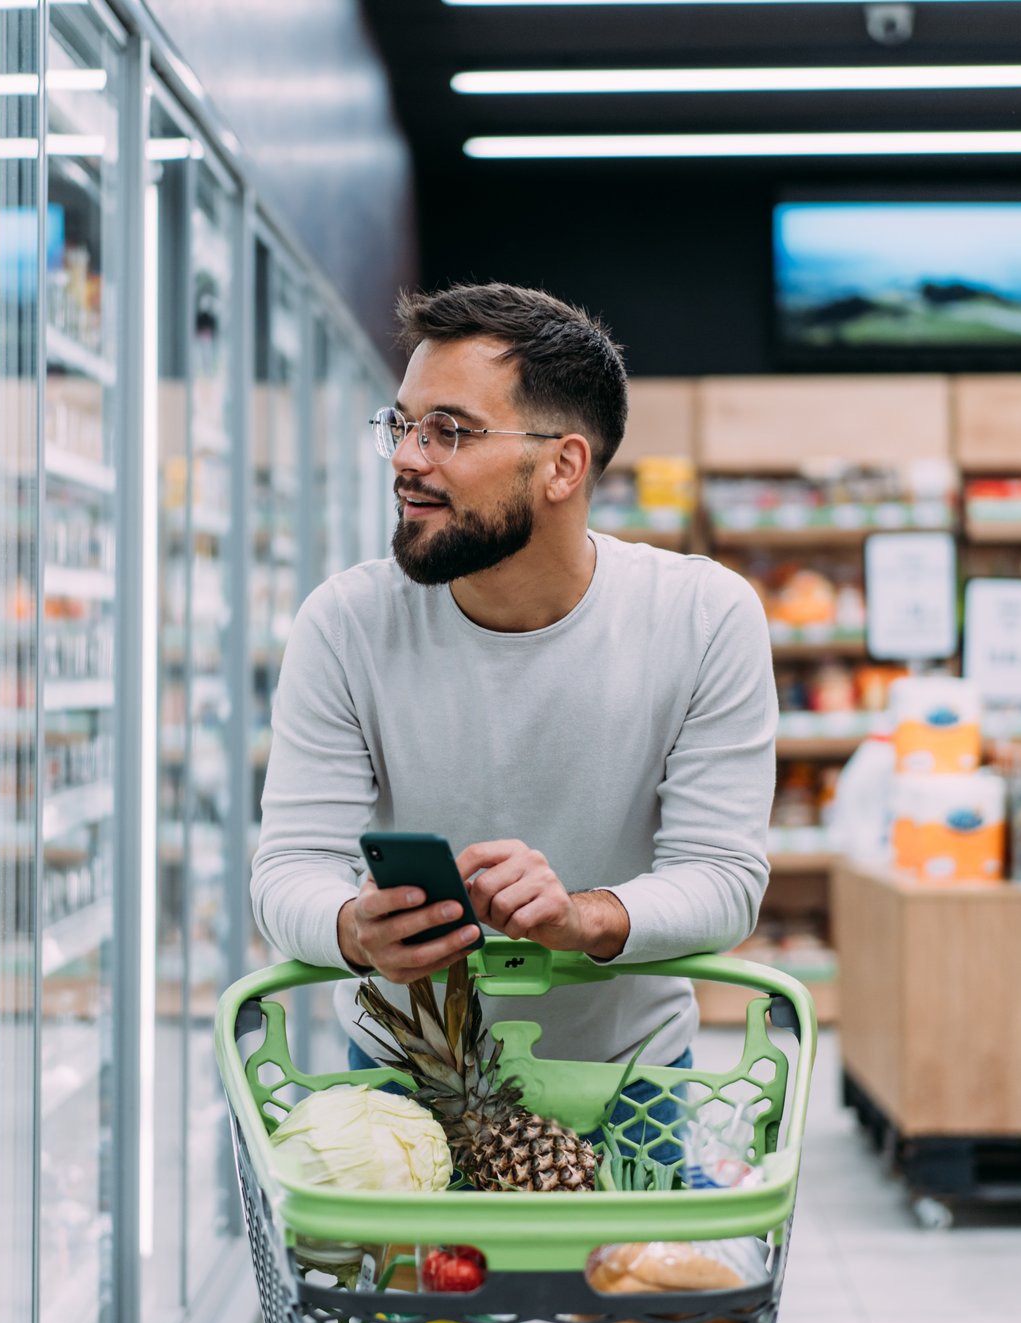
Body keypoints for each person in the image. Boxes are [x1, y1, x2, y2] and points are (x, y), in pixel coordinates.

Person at [250, 282, 777, 1080]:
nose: (405, 458)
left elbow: (724, 878)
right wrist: (356, 928)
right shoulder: (346, 622)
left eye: (448, 432)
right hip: (402, 1081)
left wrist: (582, 916)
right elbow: (287, 869)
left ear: (563, 465)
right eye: (402, 425)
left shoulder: (703, 617)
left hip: (631, 1082)